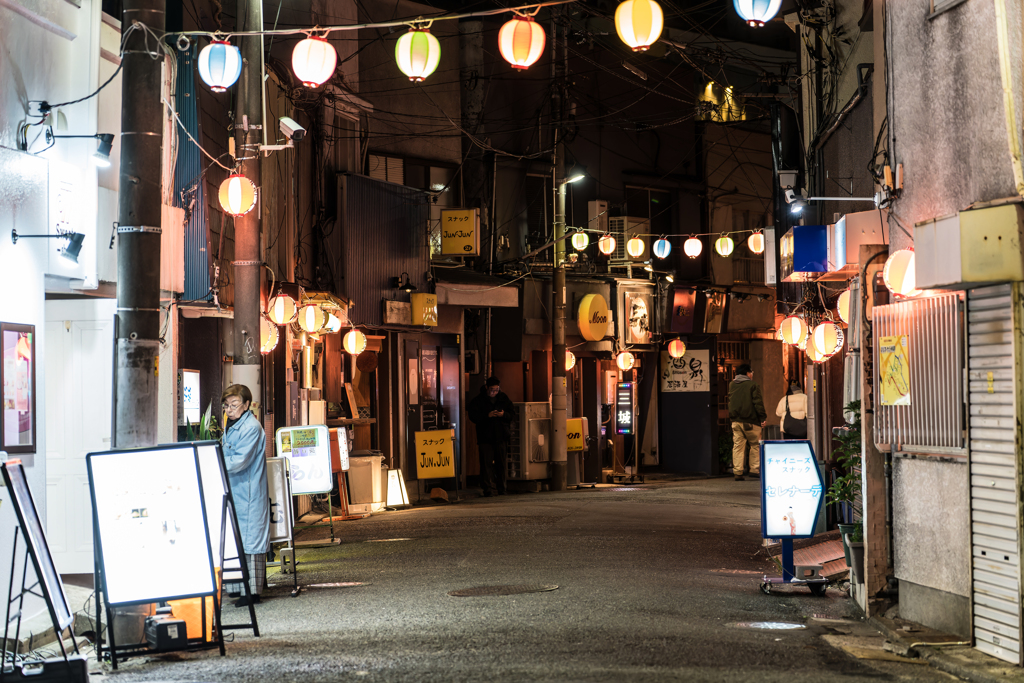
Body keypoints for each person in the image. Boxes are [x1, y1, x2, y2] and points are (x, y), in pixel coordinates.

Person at [221, 384, 270, 606]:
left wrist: (216, 462)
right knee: (236, 539)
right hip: (236, 489)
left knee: (250, 543)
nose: (229, 409)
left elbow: (240, 460)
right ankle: (237, 588)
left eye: (234, 405)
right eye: (227, 405)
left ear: (247, 405)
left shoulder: (251, 427)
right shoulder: (233, 424)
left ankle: (251, 592)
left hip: (248, 491)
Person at [468, 377, 517, 496]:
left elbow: (512, 414)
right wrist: (487, 415)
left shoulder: (503, 398)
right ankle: (487, 489)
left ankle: (502, 488)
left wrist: (503, 414)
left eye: (496, 390)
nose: (494, 392)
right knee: (486, 464)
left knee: (501, 463)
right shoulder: (479, 400)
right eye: (491, 390)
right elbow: (473, 416)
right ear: (486, 388)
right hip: (485, 437)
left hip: (501, 436)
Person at [728, 364, 766, 481]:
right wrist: (762, 417)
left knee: (738, 446)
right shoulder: (752, 385)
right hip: (750, 421)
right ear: (747, 373)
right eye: (751, 372)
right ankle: (754, 470)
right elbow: (757, 402)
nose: (752, 374)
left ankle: (738, 472)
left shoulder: (732, 384)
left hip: (735, 421)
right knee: (755, 445)